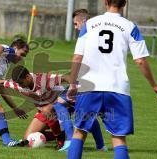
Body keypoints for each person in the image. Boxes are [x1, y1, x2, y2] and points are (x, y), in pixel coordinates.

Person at [67, 0, 157, 159]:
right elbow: (140, 60)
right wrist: (155, 85)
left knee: (79, 133)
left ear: (105, 1)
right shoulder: (130, 26)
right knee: (118, 138)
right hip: (117, 88)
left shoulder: (89, 24)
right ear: (125, 3)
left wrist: (72, 83)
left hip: (89, 87)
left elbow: (77, 56)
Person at [0, 65, 106, 151]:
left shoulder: (43, 79)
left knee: (83, 114)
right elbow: (0, 82)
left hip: (62, 102)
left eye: (22, 82)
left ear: (28, 77)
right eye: (17, 83)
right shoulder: (17, 84)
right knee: (29, 138)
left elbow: (65, 77)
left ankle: (64, 140)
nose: (20, 86)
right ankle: (63, 135)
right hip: (46, 109)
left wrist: (73, 88)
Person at [53, 8, 107, 152]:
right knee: (85, 111)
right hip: (99, 78)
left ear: (83, 21)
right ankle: (101, 146)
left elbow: (78, 59)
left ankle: (70, 140)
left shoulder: (86, 34)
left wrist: (72, 83)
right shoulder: (100, 33)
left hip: (86, 79)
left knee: (59, 104)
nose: (75, 28)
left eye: (76, 24)